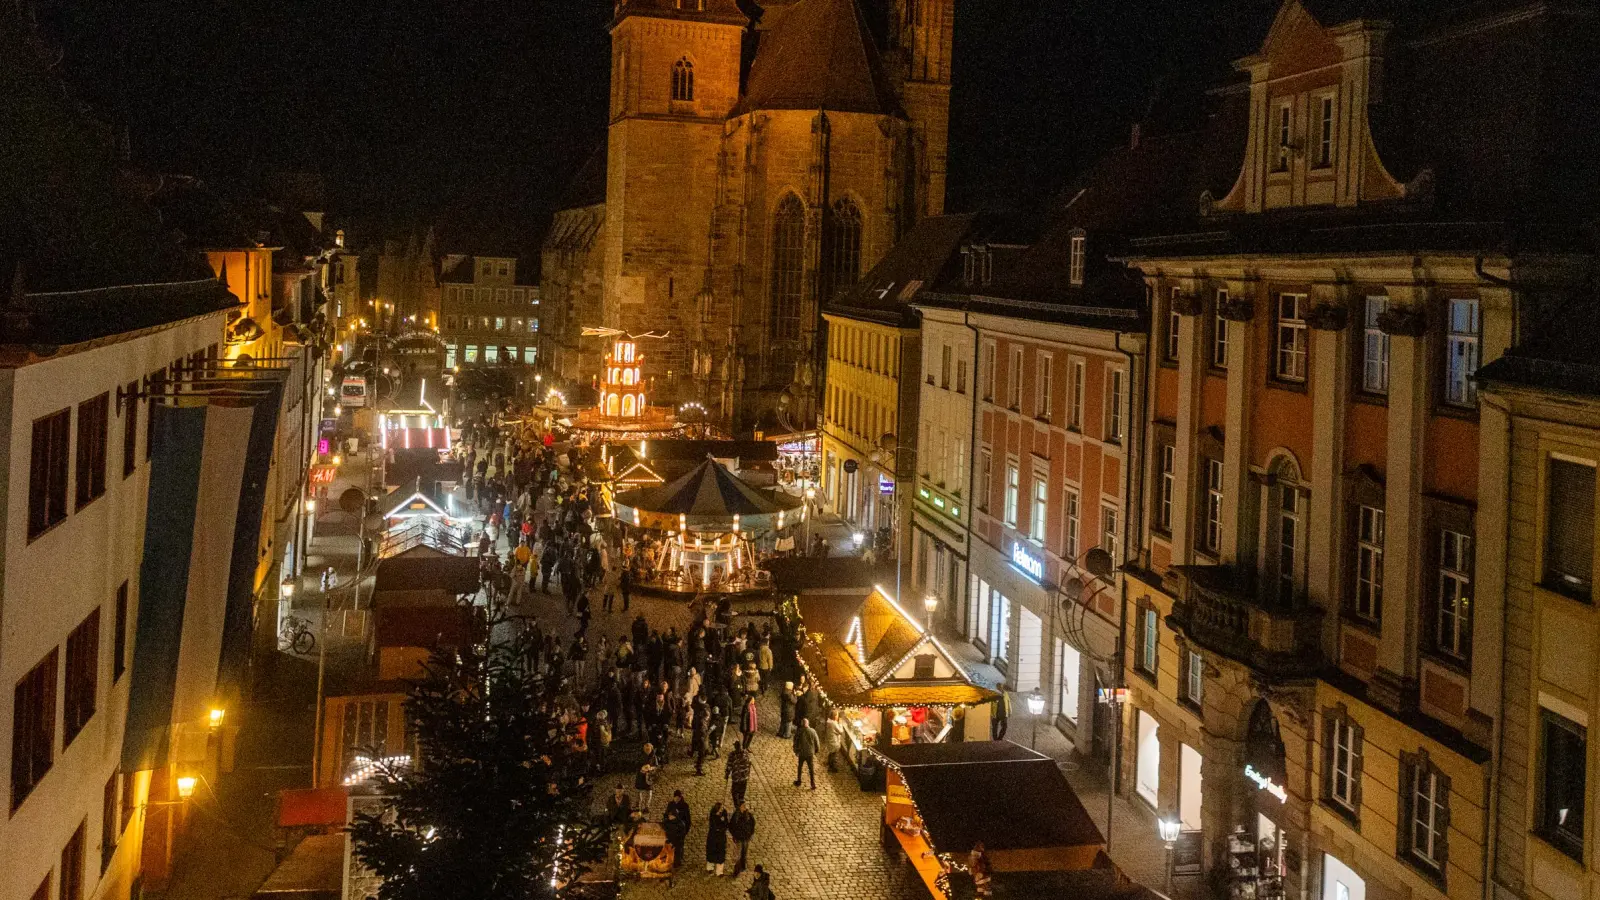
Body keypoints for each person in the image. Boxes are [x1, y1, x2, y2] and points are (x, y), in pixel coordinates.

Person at [662, 791, 691, 868]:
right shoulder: (671, 804)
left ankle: (678, 860)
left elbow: (688, 819)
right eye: (676, 798)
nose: (677, 799)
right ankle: (669, 859)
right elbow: (666, 814)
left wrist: (685, 831)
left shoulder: (684, 806)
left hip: (680, 829)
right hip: (671, 829)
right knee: (670, 846)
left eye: (678, 798)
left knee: (679, 847)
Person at [792, 716, 820, 789]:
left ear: (802, 724)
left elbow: (795, 741)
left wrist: (796, 750)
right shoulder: (813, 731)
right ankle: (812, 783)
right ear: (808, 723)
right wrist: (817, 750)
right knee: (811, 768)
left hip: (802, 752)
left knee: (800, 767)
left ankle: (799, 780)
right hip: (810, 753)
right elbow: (817, 742)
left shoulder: (799, 731)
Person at [729, 801, 756, 875]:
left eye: (745, 805)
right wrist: (735, 835)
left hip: (746, 837)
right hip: (739, 837)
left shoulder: (748, 814)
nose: (745, 807)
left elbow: (753, 823)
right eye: (743, 805)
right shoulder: (736, 816)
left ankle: (743, 866)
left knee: (744, 852)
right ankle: (737, 869)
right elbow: (731, 826)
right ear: (739, 807)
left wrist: (751, 833)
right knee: (738, 854)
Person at [705, 801, 730, 876]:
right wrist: (718, 828)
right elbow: (712, 825)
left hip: (721, 837)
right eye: (720, 808)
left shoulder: (724, 813)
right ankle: (710, 867)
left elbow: (726, 824)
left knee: (721, 853)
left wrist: (721, 829)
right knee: (711, 851)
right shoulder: (713, 814)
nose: (722, 809)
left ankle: (719, 871)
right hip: (713, 837)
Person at [636, 745, 658, 811]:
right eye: (646, 749)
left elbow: (656, 765)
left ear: (651, 749)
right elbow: (636, 764)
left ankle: (647, 806)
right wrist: (641, 768)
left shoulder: (654, 757)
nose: (647, 751)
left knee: (649, 792)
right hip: (641, 776)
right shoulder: (640, 756)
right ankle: (639, 806)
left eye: (648, 749)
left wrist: (651, 768)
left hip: (649, 777)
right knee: (640, 792)